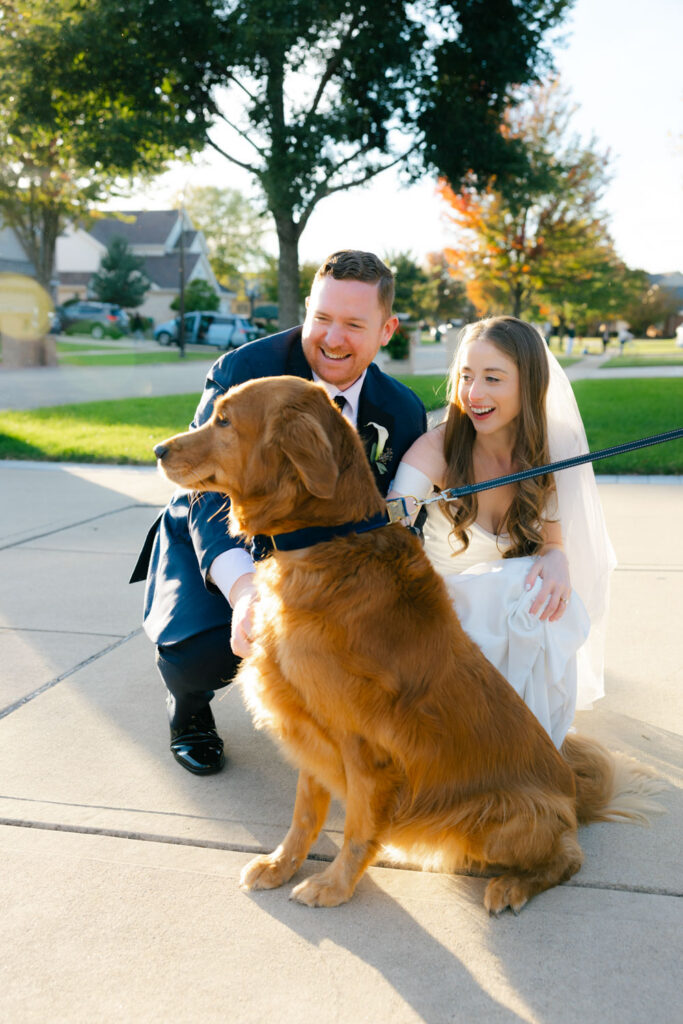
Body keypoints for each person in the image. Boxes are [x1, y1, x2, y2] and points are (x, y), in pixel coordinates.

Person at [130, 251, 427, 775]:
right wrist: (246, 588)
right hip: (227, 538)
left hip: (321, 565)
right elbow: (204, 490)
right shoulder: (245, 370)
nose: (333, 339)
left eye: (355, 325)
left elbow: (397, 519)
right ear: (307, 310)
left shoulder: (401, 410)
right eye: (322, 319)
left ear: (387, 329)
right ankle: (189, 710)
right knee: (203, 651)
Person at [389, 315, 616, 748]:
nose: (474, 394)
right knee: (520, 589)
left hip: (510, 629)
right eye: (466, 377)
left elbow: (553, 545)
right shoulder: (436, 449)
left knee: (544, 595)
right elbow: (392, 519)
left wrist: (556, 558)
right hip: (442, 625)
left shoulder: (551, 449)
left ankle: (524, 743)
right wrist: (399, 506)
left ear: (528, 384)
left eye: (493, 379)